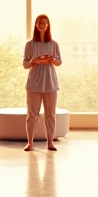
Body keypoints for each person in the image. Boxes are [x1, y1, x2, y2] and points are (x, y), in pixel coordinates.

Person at [23, 14, 62, 152]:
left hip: (50, 83)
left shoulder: (53, 44)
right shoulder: (30, 44)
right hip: (34, 83)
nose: (42, 25)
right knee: (32, 114)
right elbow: (25, 64)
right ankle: (30, 143)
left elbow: (59, 62)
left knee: (50, 114)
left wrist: (52, 60)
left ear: (48, 25)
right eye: (40, 23)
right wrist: (35, 61)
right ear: (36, 25)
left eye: (45, 23)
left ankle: (50, 142)